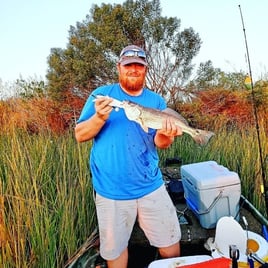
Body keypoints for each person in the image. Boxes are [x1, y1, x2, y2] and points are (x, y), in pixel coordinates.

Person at [75, 44, 182, 268]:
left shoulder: (156, 102)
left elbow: (160, 144)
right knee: (115, 252)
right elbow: (80, 135)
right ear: (119, 68)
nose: (133, 70)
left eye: (139, 66)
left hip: (150, 185)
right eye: (128, 65)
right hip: (110, 189)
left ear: (145, 69)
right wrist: (100, 117)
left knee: (170, 244)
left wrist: (167, 135)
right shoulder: (101, 95)